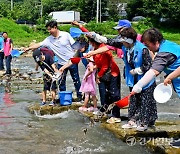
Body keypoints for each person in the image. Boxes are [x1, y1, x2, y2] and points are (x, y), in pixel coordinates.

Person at [24, 20, 82, 101]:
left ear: (55, 27)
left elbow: (75, 46)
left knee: (76, 79)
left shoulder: (66, 35)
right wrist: (28, 48)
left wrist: (78, 53)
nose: (49, 31)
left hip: (71, 61)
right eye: (48, 29)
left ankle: (80, 96)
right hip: (61, 63)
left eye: (49, 29)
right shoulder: (49, 39)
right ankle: (63, 97)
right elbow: (39, 44)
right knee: (61, 82)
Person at [117, 28, 157, 132]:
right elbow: (111, 42)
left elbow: (149, 66)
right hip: (133, 79)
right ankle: (132, 121)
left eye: (123, 40)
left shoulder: (142, 49)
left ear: (129, 40)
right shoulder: (126, 48)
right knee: (133, 100)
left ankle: (145, 122)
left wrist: (137, 70)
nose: (122, 42)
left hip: (145, 80)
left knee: (145, 102)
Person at [132, 28, 180, 98]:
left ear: (156, 42)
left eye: (148, 45)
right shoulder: (168, 44)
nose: (148, 48)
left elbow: (154, 72)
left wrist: (138, 86)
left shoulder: (164, 54)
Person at [87, 34, 121, 121]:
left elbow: (105, 66)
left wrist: (98, 76)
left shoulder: (104, 49)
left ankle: (116, 115)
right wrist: (80, 26)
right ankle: (105, 110)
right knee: (103, 93)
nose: (90, 44)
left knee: (114, 94)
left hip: (112, 73)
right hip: (102, 73)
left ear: (94, 42)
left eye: (90, 42)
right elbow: (99, 64)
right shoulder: (95, 49)